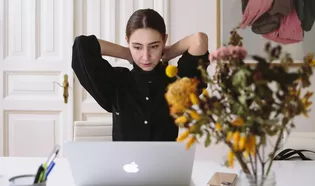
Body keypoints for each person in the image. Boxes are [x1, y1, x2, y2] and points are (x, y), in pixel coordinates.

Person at [72, 8, 209, 141]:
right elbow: (82, 46)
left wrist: (169, 52)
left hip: (166, 164)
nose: (146, 57)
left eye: (154, 46)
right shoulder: (117, 82)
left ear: (164, 41)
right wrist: (127, 53)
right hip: (123, 164)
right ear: (128, 42)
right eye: (137, 47)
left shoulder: (176, 84)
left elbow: (199, 40)